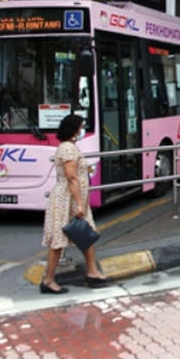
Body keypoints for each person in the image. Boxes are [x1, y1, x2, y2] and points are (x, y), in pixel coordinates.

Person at [41, 114, 108, 294]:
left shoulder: (70, 147)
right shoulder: (68, 149)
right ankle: (48, 280)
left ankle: (92, 271)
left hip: (74, 199)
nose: (82, 130)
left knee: (87, 234)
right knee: (58, 240)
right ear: (74, 130)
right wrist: (79, 204)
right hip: (66, 200)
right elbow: (71, 177)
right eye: (81, 127)